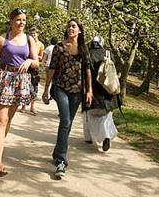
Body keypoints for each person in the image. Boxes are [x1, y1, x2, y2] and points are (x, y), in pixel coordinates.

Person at [0, 8, 39, 181]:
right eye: (18, 20)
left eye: (23, 20)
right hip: (4, 80)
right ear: (11, 21)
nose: (21, 23)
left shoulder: (29, 39)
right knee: (1, 121)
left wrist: (30, 60)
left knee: (7, 120)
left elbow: (37, 62)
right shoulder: (2, 39)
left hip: (20, 81)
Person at [42, 18, 93, 180]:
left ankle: (57, 151)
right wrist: (46, 88)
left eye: (74, 26)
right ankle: (61, 160)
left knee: (68, 123)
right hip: (60, 88)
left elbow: (87, 70)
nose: (71, 28)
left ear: (79, 30)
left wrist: (89, 90)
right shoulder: (59, 47)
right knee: (65, 121)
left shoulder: (84, 49)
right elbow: (52, 68)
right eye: (69, 26)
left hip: (77, 91)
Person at [83, 36, 119, 152]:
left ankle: (90, 137)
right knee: (107, 116)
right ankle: (106, 135)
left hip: (92, 91)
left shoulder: (87, 54)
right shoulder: (108, 53)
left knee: (91, 116)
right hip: (107, 92)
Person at [21, 26, 44, 115]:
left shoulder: (40, 45)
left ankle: (32, 107)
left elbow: (41, 58)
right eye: (31, 33)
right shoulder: (26, 43)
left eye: (34, 33)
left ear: (37, 34)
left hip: (34, 68)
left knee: (34, 87)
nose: (33, 35)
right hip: (25, 67)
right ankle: (23, 106)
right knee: (24, 86)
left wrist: (35, 56)